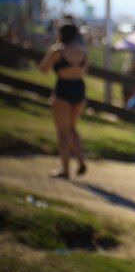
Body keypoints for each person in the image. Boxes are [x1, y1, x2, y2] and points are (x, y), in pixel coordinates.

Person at [38, 23, 88, 179]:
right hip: (79, 88)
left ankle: (65, 170)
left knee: (63, 132)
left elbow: (43, 69)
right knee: (72, 127)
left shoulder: (58, 50)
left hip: (63, 88)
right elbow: (84, 71)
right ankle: (80, 161)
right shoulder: (83, 52)